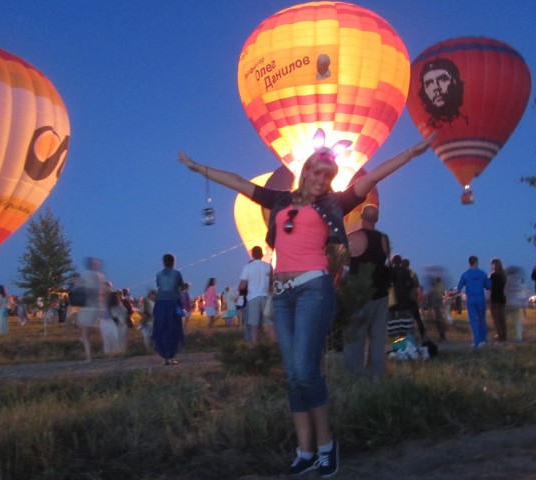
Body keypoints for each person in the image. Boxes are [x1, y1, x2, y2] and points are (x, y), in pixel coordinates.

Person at [179, 127, 435, 477]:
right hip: (282, 296)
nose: (322, 179)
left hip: (314, 289)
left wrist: (412, 152)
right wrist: (199, 168)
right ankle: (305, 451)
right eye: (317, 172)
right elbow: (239, 182)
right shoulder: (280, 201)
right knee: (293, 376)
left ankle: (327, 447)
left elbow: (375, 174)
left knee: (305, 371)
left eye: (328, 175)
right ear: (306, 172)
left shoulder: (335, 203)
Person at [343, 204, 390, 378]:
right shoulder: (384, 239)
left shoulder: (353, 238)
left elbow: (343, 262)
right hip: (381, 294)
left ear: (361, 217)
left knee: (356, 337)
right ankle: (375, 377)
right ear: (376, 219)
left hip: (359, 295)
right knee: (377, 339)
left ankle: (353, 375)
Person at [417, 58, 468, 129]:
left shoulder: (466, 121)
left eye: (443, 80)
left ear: (454, 81)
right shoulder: (428, 126)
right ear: (424, 91)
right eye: (429, 84)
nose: (436, 88)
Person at [153, 253, 185, 365]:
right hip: (173, 303)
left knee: (161, 328)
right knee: (173, 329)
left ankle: (164, 357)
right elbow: (180, 287)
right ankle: (171, 356)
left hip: (160, 303)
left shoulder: (159, 274)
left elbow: (160, 287)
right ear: (173, 262)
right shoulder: (177, 274)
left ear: (163, 262)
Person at [76, 257, 110, 362]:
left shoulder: (85, 275)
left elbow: (78, 289)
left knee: (85, 333)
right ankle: (107, 353)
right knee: (102, 331)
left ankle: (89, 356)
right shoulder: (101, 276)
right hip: (98, 307)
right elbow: (106, 291)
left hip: (87, 307)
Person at [238, 246, 273, 344]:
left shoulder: (248, 267)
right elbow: (273, 282)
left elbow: (242, 286)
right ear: (262, 255)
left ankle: (255, 345)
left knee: (254, 324)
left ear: (252, 255)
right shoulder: (268, 266)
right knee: (270, 323)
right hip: (266, 297)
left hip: (253, 297)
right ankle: (273, 345)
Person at [456, 256, 491, 348]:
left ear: (469, 263)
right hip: (480, 299)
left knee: (473, 320)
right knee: (482, 319)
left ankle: (477, 341)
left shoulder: (465, 274)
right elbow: (488, 285)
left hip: (470, 299)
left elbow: (459, 288)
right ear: (476, 262)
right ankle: (483, 339)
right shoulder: (482, 273)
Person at [504, 266, 526, 342]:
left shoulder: (506, 280)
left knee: (503, 320)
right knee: (517, 321)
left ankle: (502, 334)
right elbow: (521, 292)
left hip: (507, 303)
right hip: (516, 303)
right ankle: (519, 336)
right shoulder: (518, 281)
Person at [489, 258, 507, 343]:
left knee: (496, 319)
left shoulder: (493, 275)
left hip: (494, 298)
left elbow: (489, 286)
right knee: (502, 318)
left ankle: (500, 336)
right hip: (502, 298)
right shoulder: (504, 275)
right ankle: (504, 335)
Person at [430, 277, 448, 342]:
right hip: (439, 304)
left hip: (435, 304)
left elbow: (431, 294)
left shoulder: (435, 286)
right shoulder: (442, 286)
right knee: (440, 319)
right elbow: (444, 294)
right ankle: (443, 336)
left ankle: (442, 337)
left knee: (438, 320)